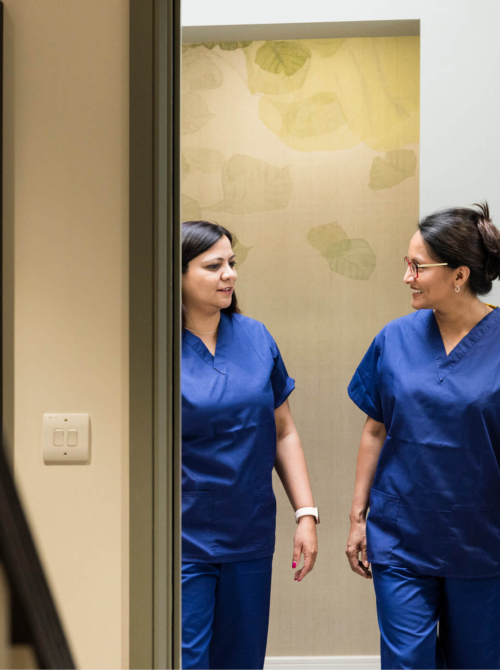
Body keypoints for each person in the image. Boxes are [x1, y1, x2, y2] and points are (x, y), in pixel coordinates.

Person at [345, 203, 500, 669]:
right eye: (406, 264)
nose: (407, 277)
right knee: (406, 661)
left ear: (459, 274)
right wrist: (357, 518)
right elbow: (375, 428)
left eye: (418, 267)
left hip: (483, 538)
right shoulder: (393, 339)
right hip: (401, 534)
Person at [181, 220, 319, 670]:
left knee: (241, 658)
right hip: (181, 533)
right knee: (186, 656)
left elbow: (284, 431)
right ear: (176, 274)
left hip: (250, 528)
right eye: (214, 265)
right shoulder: (155, 347)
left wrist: (306, 514)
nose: (230, 274)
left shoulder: (256, 338)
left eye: (232, 263)